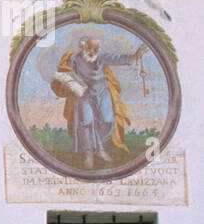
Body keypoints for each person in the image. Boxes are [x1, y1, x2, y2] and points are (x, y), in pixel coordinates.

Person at [51, 35, 149, 169]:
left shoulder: (101, 57)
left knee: (108, 120)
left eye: (96, 49)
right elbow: (64, 74)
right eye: (89, 48)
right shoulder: (74, 59)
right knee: (86, 122)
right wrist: (67, 84)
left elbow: (118, 59)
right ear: (82, 47)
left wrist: (136, 55)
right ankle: (89, 153)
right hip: (84, 93)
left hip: (102, 92)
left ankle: (99, 148)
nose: (92, 51)